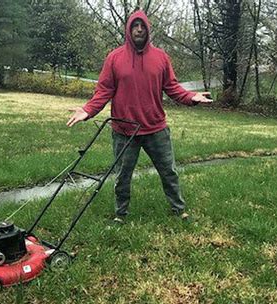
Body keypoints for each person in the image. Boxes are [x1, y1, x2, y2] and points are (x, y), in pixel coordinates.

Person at [67, 10, 212, 223]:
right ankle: (121, 214)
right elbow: (103, 91)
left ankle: (178, 209)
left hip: (156, 128)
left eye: (142, 26)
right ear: (128, 29)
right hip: (124, 130)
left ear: (147, 30)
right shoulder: (114, 58)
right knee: (122, 177)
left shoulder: (161, 58)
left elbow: (172, 88)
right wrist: (88, 110)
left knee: (169, 172)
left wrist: (191, 97)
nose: (139, 30)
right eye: (135, 26)